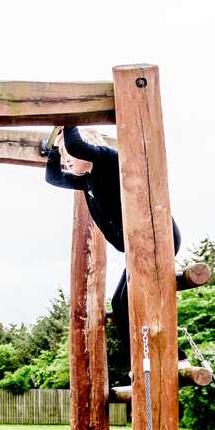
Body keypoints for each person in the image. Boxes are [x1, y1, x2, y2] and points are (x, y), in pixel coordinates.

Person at [44, 127, 182, 361]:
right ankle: (140, 360)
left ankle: (173, 357)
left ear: (86, 149)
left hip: (157, 239)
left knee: (129, 301)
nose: (66, 163)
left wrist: (68, 121)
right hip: (137, 249)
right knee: (119, 304)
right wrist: (56, 149)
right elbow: (52, 177)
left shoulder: (109, 161)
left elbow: (78, 145)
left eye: (69, 157)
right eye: (64, 158)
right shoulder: (87, 182)